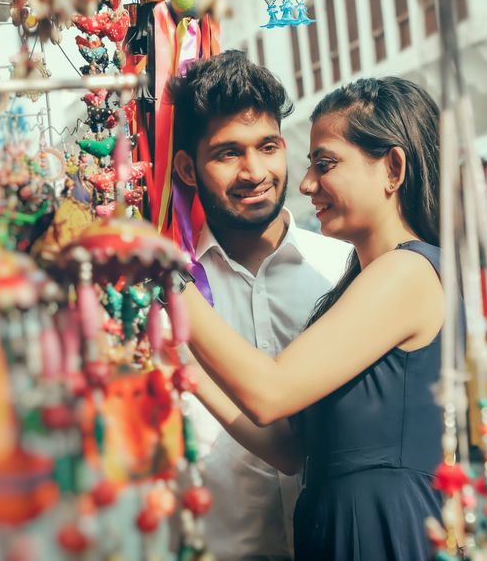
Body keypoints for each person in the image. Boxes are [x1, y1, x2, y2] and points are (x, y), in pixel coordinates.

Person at [177, 77, 451, 561]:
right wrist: (187, 370)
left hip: (383, 530)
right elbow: (288, 450)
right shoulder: (360, 280)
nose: (306, 185)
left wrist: (167, 282)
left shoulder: (407, 271)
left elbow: (271, 392)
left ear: (393, 167)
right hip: (339, 529)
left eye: (325, 165)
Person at [167, 50, 352, 561]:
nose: (255, 171)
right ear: (187, 167)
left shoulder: (344, 271)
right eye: (228, 153)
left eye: (267, 146)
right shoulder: (167, 299)